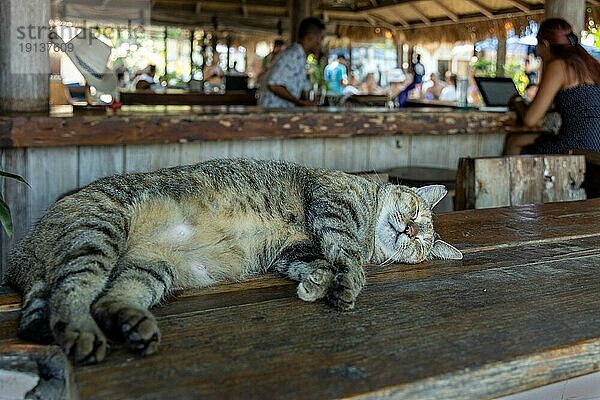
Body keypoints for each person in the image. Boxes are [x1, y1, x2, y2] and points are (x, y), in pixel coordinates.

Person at [506, 18, 600, 154]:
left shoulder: (558, 65)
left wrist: (517, 100)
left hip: (578, 146)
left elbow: (530, 119)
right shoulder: (589, 64)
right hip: (596, 147)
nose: (538, 52)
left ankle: (511, 176)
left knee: (515, 141)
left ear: (544, 44)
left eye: (538, 46)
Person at [258, 17, 325, 107]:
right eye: (321, 38)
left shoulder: (300, 57)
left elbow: (304, 87)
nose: (321, 43)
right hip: (273, 114)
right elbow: (274, 85)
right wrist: (298, 102)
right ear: (311, 37)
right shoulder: (292, 55)